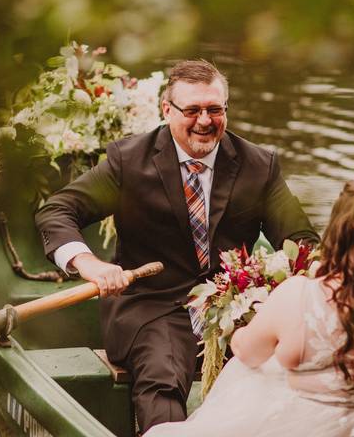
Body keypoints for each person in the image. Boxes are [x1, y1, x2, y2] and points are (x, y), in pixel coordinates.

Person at [35, 59, 319, 432]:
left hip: (234, 308)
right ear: (167, 110)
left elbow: (302, 241)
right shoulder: (129, 162)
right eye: (192, 110)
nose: (205, 121)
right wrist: (89, 263)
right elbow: (57, 210)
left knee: (284, 372)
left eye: (214, 110)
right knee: (164, 377)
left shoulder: (258, 165)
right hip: (151, 305)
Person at [144, 178, 354, 437]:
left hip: (321, 427)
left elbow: (246, 352)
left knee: (251, 373)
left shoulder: (301, 294)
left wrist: (256, 319)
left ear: (337, 233)